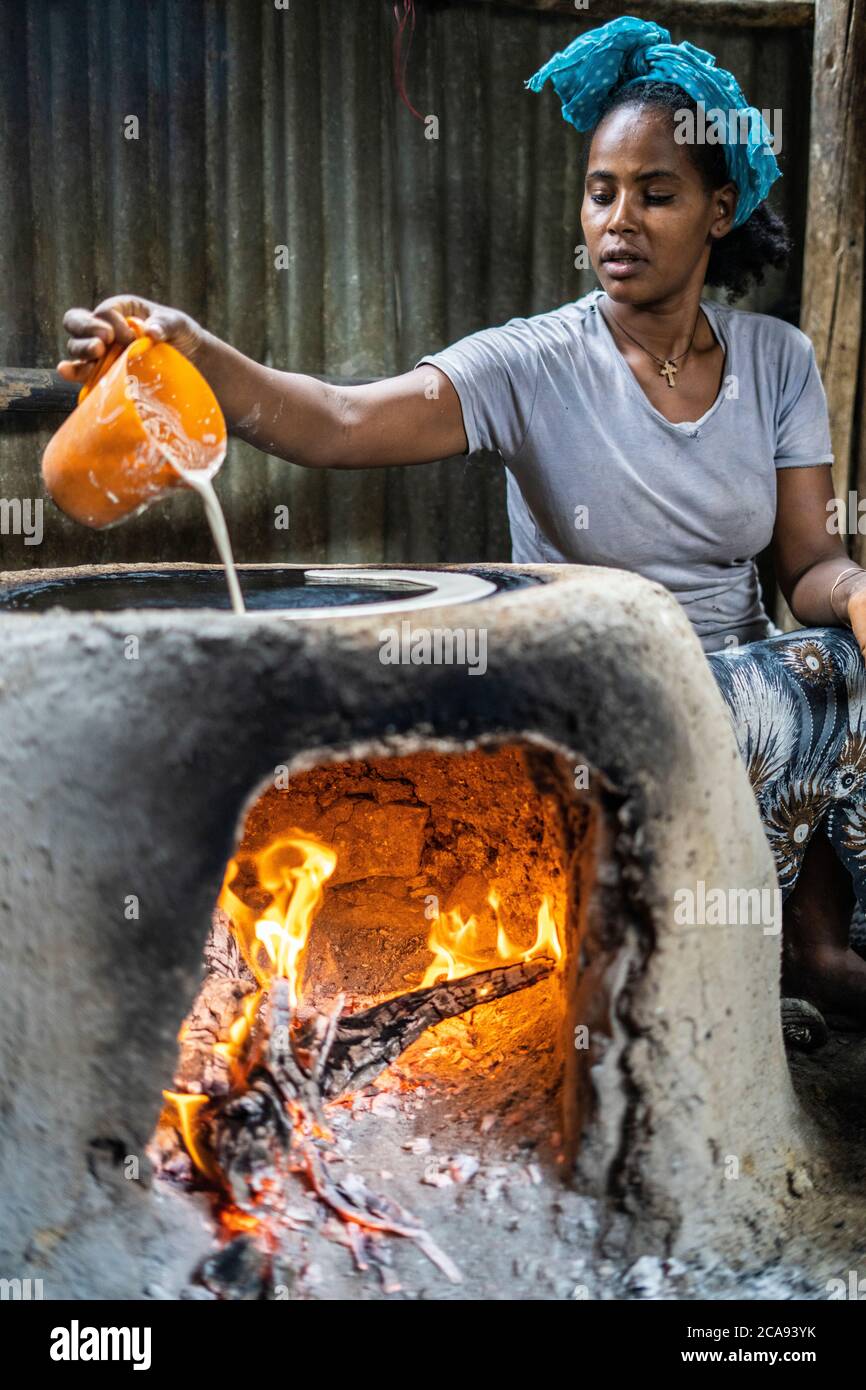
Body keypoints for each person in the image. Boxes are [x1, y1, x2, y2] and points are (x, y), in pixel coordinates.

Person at [58, 17, 866, 1039]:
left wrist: (852, 595)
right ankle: (700, 962)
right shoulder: (530, 363)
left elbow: (808, 561)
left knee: (832, 663)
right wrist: (194, 350)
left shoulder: (778, 360)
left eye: (655, 194)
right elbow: (336, 419)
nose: (616, 219)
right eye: (599, 190)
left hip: (753, 674)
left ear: (716, 211)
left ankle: (819, 949)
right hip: (608, 691)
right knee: (741, 701)